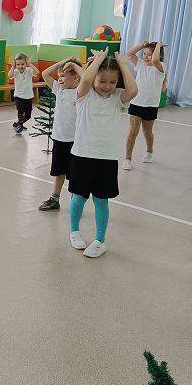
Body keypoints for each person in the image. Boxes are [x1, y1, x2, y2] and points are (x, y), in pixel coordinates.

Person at [67, 51, 137, 258]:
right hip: (82, 154)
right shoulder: (84, 95)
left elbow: (133, 90)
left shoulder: (117, 98)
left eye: (113, 82)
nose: (107, 86)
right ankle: (74, 231)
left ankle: (100, 240)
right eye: (102, 81)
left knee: (101, 200)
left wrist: (123, 64)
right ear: (94, 77)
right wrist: (97, 61)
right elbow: (86, 80)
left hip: (106, 158)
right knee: (78, 197)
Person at [38, 57, 82, 211]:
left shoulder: (80, 92)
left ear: (76, 78)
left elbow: (87, 79)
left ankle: (75, 203)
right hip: (59, 139)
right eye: (59, 76)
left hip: (75, 142)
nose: (59, 79)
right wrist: (61, 63)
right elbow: (45, 74)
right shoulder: (59, 89)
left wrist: (75, 66)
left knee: (75, 175)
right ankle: (54, 199)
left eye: (63, 75)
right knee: (58, 171)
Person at [123, 41, 166, 170]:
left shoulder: (161, 67)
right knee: (132, 131)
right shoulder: (140, 64)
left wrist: (158, 45)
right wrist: (142, 45)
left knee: (147, 131)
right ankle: (127, 158)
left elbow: (155, 60)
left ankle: (149, 151)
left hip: (151, 105)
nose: (146, 57)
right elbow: (129, 53)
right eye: (144, 54)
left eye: (149, 54)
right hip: (136, 102)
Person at [8, 53, 39, 133]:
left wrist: (30, 64)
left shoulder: (29, 70)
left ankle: (18, 124)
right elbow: (9, 76)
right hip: (18, 96)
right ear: (15, 64)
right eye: (18, 64)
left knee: (28, 116)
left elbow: (37, 72)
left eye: (23, 64)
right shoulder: (15, 71)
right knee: (20, 110)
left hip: (28, 96)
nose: (20, 66)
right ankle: (19, 126)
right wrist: (13, 66)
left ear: (26, 63)